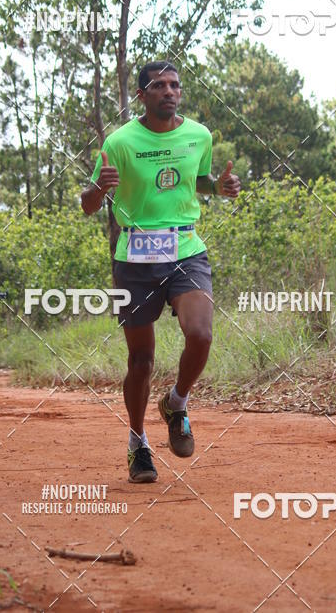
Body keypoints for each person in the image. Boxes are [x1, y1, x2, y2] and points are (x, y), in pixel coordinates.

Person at [81, 61, 241, 482]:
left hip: (186, 248)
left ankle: (177, 402)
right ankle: (138, 445)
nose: (169, 92)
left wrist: (218, 188)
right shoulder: (119, 143)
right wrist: (100, 189)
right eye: (159, 86)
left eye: (175, 85)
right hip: (135, 257)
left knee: (202, 334)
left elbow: (198, 181)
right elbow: (88, 204)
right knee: (141, 360)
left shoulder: (199, 136)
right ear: (142, 96)